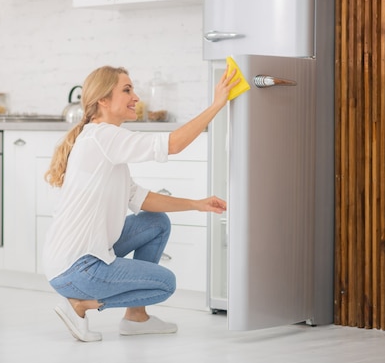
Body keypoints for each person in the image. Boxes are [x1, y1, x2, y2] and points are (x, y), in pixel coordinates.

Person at [42, 65, 240, 342]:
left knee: (155, 222)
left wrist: (197, 204)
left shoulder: (99, 139)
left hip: (70, 262)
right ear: (103, 100)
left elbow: (143, 199)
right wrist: (218, 103)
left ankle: (136, 317)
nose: (136, 97)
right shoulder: (103, 136)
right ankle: (80, 305)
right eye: (127, 90)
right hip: (77, 269)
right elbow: (172, 144)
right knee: (164, 283)